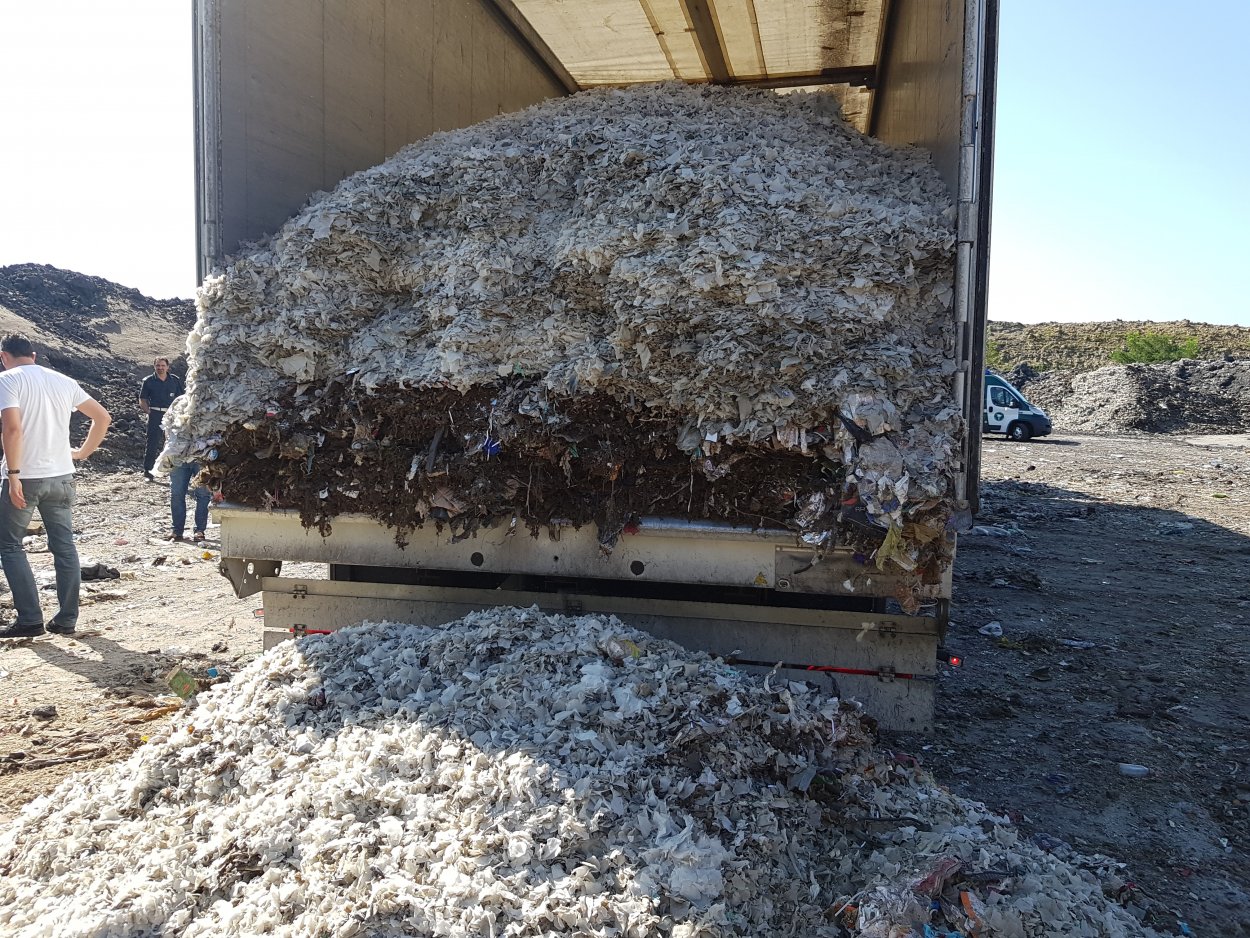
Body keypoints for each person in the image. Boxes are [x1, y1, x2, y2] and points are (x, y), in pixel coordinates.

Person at [0, 334, 111, 639]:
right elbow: (102, 417)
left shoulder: (8, 380)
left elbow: (12, 428)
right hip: (62, 475)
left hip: (26, 476)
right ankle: (66, 619)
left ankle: (30, 619)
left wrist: (13, 474)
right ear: (33, 355)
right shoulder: (63, 380)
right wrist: (82, 452)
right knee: (63, 546)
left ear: (4, 356)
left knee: (10, 546)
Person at [139, 357, 183, 481]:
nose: (160, 368)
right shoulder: (148, 381)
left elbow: (182, 398)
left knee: (173, 443)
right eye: (158, 365)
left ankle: (172, 472)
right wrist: (149, 412)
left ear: (168, 367)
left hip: (172, 417)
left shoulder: (175, 380)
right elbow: (142, 399)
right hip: (156, 415)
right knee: (152, 443)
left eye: (163, 365)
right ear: (154, 366)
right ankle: (148, 472)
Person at [169, 458, 211, 542]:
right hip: (179, 453)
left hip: (203, 455)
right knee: (176, 494)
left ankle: (199, 530)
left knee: (203, 495)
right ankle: (177, 531)